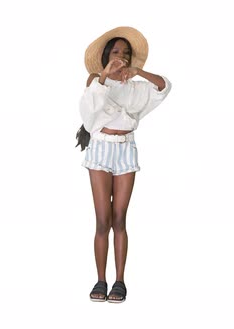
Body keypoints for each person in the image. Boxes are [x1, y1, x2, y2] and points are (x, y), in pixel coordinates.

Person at [76, 26, 172, 303]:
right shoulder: (97, 81)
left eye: (126, 53)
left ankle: (119, 280)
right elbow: (89, 109)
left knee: (119, 218)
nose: (121, 56)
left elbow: (164, 86)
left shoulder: (136, 87)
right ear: (107, 55)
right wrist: (105, 75)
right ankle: (100, 279)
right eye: (116, 51)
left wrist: (138, 72)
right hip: (101, 149)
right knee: (102, 220)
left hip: (126, 149)